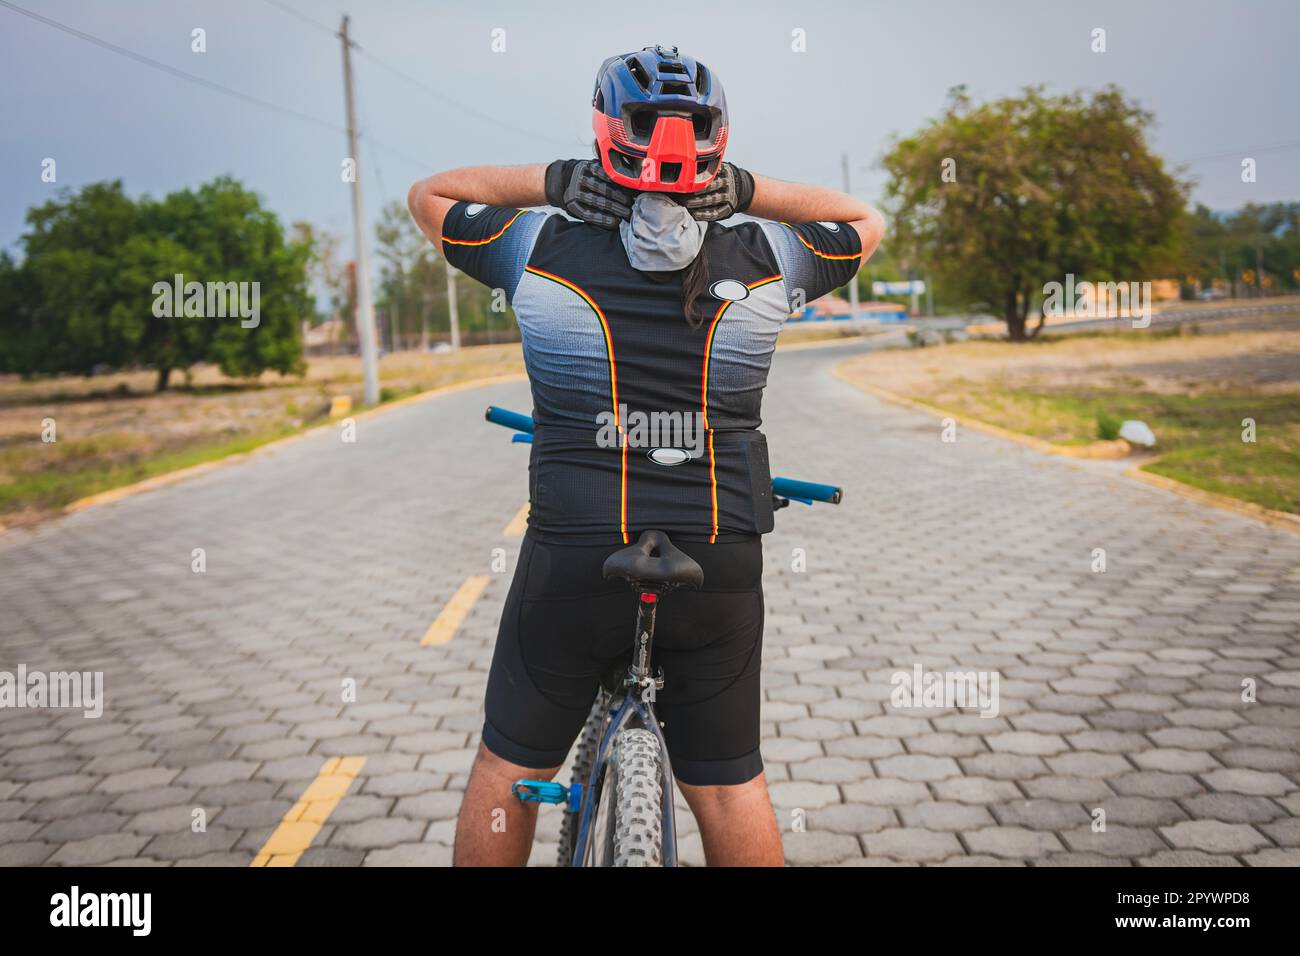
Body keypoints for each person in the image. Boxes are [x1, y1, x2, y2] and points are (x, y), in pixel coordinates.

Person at [408, 44, 884, 866]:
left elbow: (430, 195)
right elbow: (866, 220)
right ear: (718, 143)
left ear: (606, 137)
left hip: (575, 554)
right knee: (731, 785)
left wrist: (558, 183)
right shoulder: (771, 263)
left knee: (511, 766)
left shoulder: (537, 251)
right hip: (719, 554)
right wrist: (745, 194)